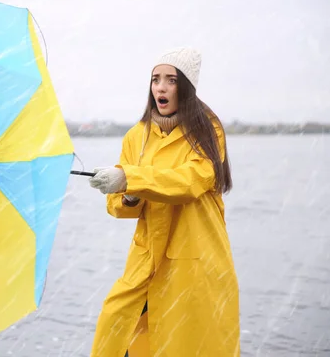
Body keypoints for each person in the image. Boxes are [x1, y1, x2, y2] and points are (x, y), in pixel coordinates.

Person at [88, 47, 240, 356]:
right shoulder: (136, 136)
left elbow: (191, 181)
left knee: (187, 344)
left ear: (185, 86)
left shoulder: (207, 130)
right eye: (156, 79)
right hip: (145, 262)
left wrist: (131, 179)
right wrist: (128, 194)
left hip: (192, 262)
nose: (161, 86)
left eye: (170, 79)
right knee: (115, 332)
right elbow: (118, 207)